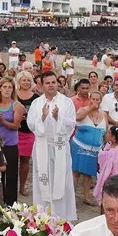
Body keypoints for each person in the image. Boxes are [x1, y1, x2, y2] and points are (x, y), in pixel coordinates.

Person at [27, 72, 77, 222]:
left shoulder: (66, 102)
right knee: (43, 179)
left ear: (58, 83)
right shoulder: (37, 103)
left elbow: (72, 123)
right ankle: (43, 217)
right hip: (43, 147)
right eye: (47, 83)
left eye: (54, 82)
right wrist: (42, 117)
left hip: (60, 147)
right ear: (42, 85)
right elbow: (30, 124)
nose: (51, 85)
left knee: (61, 180)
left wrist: (58, 118)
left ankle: (61, 218)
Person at [0, 77, 24, 206]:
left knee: (10, 175)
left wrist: (2, 121)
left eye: (10, 87)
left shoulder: (17, 105)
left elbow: (16, 125)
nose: (7, 90)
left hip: (10, 144)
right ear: (0, 88)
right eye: (4, 87)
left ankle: (11, 204)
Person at [71, 90, 106, 207]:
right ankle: (71, 196)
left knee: (88, 174)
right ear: (90, 99)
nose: (95, 101)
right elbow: (77, 118)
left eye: (98, 99)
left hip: (94, 150)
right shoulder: (83, 110)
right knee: (75, 172)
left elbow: (106, 130)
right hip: (79, 146)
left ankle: (86, 197)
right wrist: (90, 109)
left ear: (101, 101)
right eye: (93, 99)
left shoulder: (104, 114)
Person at [16, 71, 39, 196]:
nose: (26, 82)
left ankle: (22, 186)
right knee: (11, 160)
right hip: (14, 131)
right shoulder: (14, 95)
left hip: (28, 132)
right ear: (19, 81)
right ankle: (11, 184)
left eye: (28, 80)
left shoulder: (36, 98)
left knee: (25, 160)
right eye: (23, 80)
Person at [93, 126, 118, 203]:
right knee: (103, 198)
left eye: (108, 133)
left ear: (113, 136)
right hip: (102, 175)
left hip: (114, 179)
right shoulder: (107, 145)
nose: (106, 134)